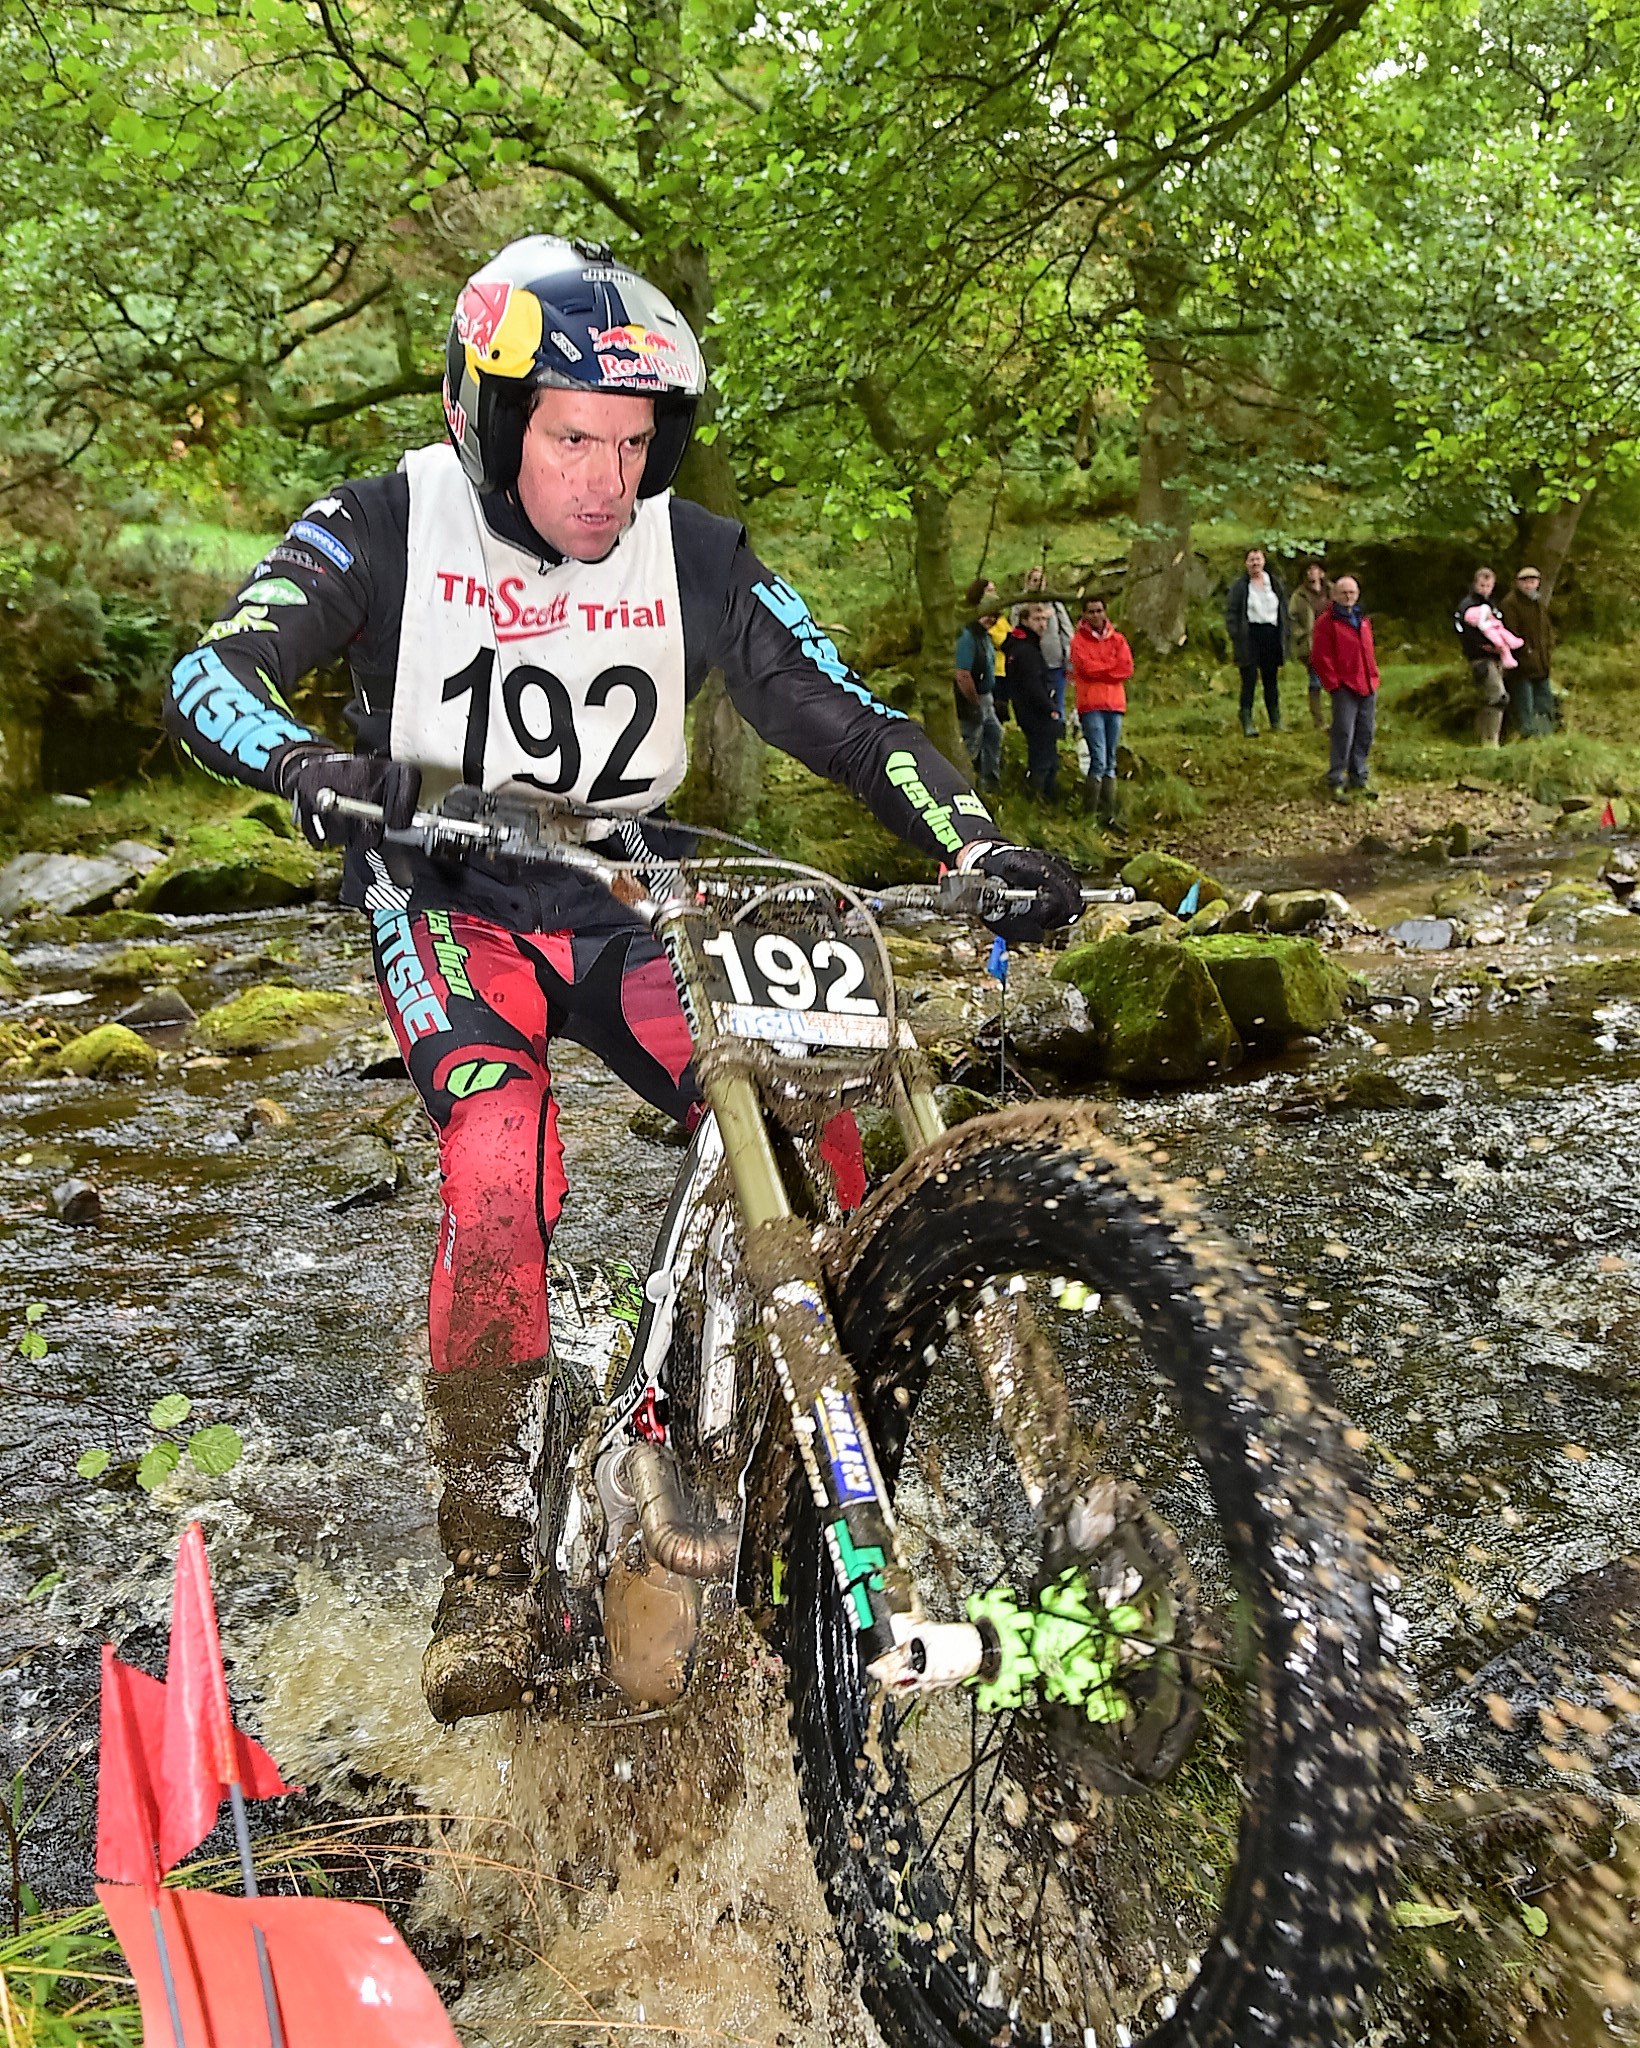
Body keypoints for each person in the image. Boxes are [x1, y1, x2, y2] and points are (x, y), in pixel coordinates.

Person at [163, 237, 1082, 1725]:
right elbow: (211, 673)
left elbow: (848, 719)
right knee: (493, 1152)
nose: (606, 478)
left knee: (818, 1124)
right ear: (490, 414)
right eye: (572, 437)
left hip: (624, 889)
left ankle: (762, 1476)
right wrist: (312, 770)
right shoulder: (383, 523)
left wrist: (976, 840)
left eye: (635, 442)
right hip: (450, 891)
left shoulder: (697, 557)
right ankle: (486, 1555)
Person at [1309, 573, 1380, 802]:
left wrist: (1373, 675)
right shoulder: (1326, 622)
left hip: (1367, 683)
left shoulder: (1363, 618)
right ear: (1335, 595)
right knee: (1343, 733)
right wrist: (1334, 684)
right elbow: (1320, 656)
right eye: (1344, 593)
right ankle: (1336, 779)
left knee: (1365, 732)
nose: (1349, 597)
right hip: (1345, 686)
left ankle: (1359, 777)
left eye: (1352, 593)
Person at [1069, 595, 1133, 823]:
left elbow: (1125, 668)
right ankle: (1091, 814)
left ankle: (1109, 815)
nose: (1096, 615)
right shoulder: (1078, 641)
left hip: (1114, 704)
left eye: (1099, 611)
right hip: (1091, 704)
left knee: (1110, 760)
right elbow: (1085, 668)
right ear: (1084, 615)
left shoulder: (1118, 639)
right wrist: (1109, 668)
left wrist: (1102, 670)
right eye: (1091, 612)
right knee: (1099, 759)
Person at [1224, 547, 1289, 736]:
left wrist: (1285, 633)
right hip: (1249, 637)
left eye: (1258, 559)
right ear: (1246, 564)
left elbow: (1283, 609)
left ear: (1264, 561)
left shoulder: (1274, 583)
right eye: (1251, 560)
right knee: (1249, 680)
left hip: (1271, 635)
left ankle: (1275, 720)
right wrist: (1236, 634)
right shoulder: (1240, 587)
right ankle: (1247, 721)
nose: (1255, 563)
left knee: (1271, 680)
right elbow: (1231, 613)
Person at [1005, 602, 1063, 800]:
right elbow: (1032, 684)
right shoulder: (1025, 650)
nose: (1042, 624)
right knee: (1042, 759)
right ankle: (1036, 800)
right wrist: (1050, 708)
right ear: (1024, 621)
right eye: (1037, 619)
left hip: (1030, 710)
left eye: (1045, 619)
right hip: (1035, 713)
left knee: (1048, 758)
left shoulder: (1024, 646)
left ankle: (1045, 799)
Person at [955, 578, 1004, 791]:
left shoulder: (984, 636)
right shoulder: (968, 635)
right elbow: (962, 674)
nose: (990, 620)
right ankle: (961, 786)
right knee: (971, 742)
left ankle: (990, 781)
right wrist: (974, 703)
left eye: (994, 617)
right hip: (971, 698)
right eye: (987, 615)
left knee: (994, 733)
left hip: (986, 696)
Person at [1454, 566, 1510, 746]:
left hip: (1497, 657)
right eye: (1482, 585)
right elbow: (1464, 632)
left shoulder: (1492, 606)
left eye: (1488, 585)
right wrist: (1483, 646)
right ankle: (1490, 741)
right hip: (1480, 657)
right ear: (1475, 584)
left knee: (1490, 697)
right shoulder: (1467, 606)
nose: (1485, 589)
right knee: (1497, 696)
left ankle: (1484, 737)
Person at [1499, 566, 1556, 737]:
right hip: (1521, 667)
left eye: (1533, 581)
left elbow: (1546, 632)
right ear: (1518, 583)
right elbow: (1510, 634)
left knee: (1545, 704)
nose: (1529, 585)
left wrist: (1548, 651)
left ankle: (1545, 736)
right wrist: (1526, 654)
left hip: (1542, 664)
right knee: (1525, 706)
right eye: (1525, 581)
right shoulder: (1510, 604)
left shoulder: (1538, 604)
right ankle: (1528, 737)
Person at [1012, 564, 1074, 719]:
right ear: (1028, 582)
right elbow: (1015, 629)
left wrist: (1069, 658)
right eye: (1034, 580)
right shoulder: (1019, 604)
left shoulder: (1054, 603)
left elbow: (1066, 630)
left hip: (1054, 662)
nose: (1038, 584)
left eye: (1041, 580)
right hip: (1031, 663)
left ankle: (1058, 730)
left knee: (1057, 702)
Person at [1288, 559, 1332, 729]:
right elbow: (1291, 619)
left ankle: (1340, 718)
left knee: (1337, 682)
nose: (1311, 573)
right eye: (1308, 570)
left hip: (1332, 642)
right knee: (1315, 681)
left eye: (1315, 569)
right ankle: (1318, 720)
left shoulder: (1332, 591)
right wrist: (1302, 635)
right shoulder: (1298, 596)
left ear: (1322, 572)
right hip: (1311, 645)